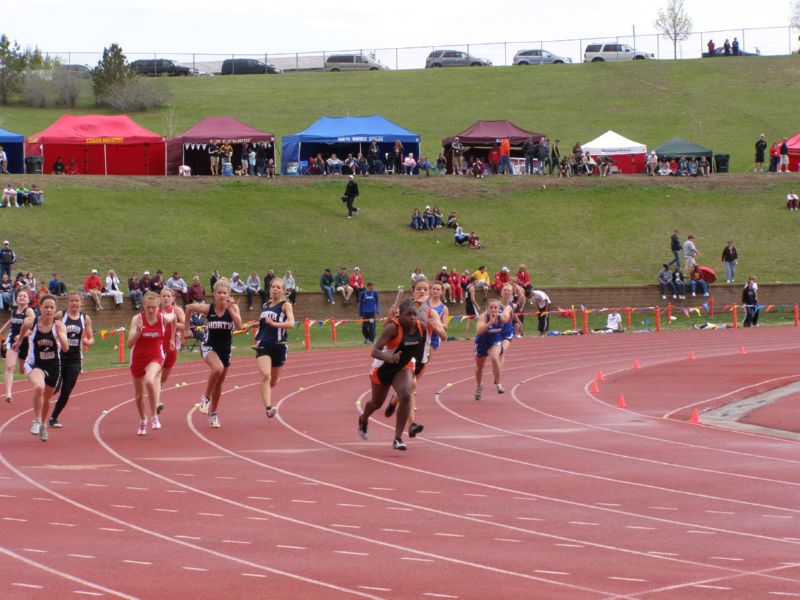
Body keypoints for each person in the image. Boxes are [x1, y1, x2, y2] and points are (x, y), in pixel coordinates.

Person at [358, 300, 426, 451]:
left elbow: (420, 352)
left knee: (406, 394)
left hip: (402, 366)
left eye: (415, 315)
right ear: (399, 316)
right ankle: (363, 419)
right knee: (376, 403)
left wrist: (417, 370)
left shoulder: (421, 328)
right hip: (383, 366)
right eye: (409, 315)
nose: (413, 318)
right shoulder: (392, 328)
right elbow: (374, 351)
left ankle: (398, 438)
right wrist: (390, 358)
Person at [183, 279, 243, 429]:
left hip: (225, 349)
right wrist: (186, 329)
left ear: (229, 295)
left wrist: (230, 308)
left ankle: (214, 413)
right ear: (214, 295)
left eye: (225, 293)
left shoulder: (233, 307)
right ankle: (206, 398)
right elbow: (189, 307)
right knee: (217, 368)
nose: (222, 295)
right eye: (219, 293)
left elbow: (240, 325)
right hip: (209, 346)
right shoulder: (208, 309)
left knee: (219, 383)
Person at [15, 295, 69, 442]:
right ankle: (37, 420)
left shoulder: (59, 326)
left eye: (52, 307)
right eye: (46, 307)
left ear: (55, 310)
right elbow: (22, 329)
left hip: (53, 366)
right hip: (34, 363)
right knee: (39, 387)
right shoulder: (31, 322)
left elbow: (65, 348)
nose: (49, 310)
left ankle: (44, 424)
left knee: (47, 399)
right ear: (40, 308)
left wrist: (61, 336)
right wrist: (19, 341)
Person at [127, 291, 179, 435]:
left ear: (158, 307)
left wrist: (172, 339)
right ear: (143, 306)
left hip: (155, 356)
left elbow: (174, 317)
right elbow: (129, 345)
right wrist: (137, 334)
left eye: (154, 307)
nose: (151, 310)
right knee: (139, 395)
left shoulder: (163, 318)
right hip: (138, 358)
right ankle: (143, 420)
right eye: (148, 307)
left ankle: (154, 416)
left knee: (150, 380)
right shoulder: (137, 319)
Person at [243, 277, 295, 420]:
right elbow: (263, 323)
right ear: (270, 289)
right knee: (265, 375)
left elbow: (291, 324)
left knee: (273, 382)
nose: (275, 289)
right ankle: (268, 408)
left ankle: (268, 388)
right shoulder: (266, 305)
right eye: (273, 287)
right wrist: (250, 326)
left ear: (283, 290)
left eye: (279, 287)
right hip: (264, 344)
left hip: (279, 346)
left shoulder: (285, 305)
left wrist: (275, 324)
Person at [48, 292, 94, 428]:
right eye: (72, 301)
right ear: (68, 302)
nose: (74, 303)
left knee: (66, 390)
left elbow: (92, 338)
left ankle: (53, 417)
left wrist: (87, 341)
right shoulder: (60, 315)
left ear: (81, 303)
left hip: (75, 360)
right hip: (59, 358)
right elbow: (47, 326)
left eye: (77, 301)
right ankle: (42, 408)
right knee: (54, 388)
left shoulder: (85, 318)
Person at [0, 289, 36, 403]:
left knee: (22, 369)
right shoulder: (14, 310)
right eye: (20, 296)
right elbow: (10, 322)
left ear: (28, 300)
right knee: (10, 366)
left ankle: (39, 385)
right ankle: (8, 393)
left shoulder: (29, 311)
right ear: (16, 298)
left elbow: (33, 328)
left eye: (24, 296)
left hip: (25, 343)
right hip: (12, 341)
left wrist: (22, 336)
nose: (21, 297)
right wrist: (1, 331)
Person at [157, 287, 186, 413]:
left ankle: (157, 391)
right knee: (156, 375)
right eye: (163, 296)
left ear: (173, 298)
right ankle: (156, 401)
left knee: (163, 378)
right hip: (156, 347)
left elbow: (185, 326)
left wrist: (170, 321)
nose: (166, 298)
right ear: (160, 298)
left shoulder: (177, 310)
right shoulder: (155, 310)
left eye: (168, 296)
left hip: (171, 347)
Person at [473, 300, 505, 401]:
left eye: (495, 307)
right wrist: (489, 323)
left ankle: (499, 383)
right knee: (479, 367)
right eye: (491, 307)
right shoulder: (483, 317)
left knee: (495, 357)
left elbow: (509, 316)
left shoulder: (501, 317)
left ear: (499, 308)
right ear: (487, 308)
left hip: (494, 341)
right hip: (482, 343)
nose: (493, 310)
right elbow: (478, 331)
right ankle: (479, 386)